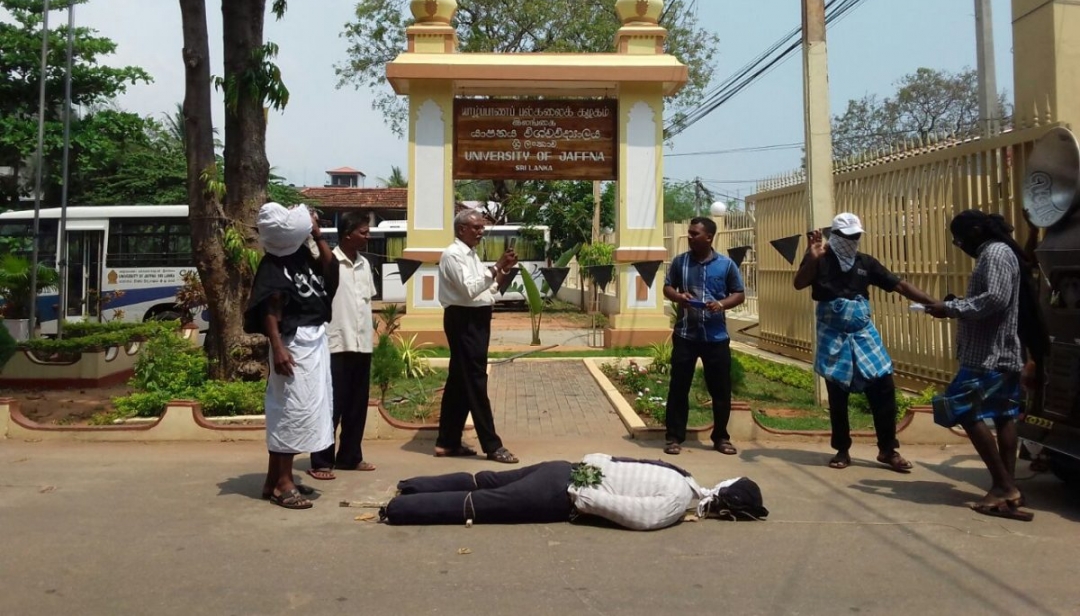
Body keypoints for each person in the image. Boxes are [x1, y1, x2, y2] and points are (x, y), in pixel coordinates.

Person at [793, 212, 936, 473]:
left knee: (883, 386)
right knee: (838, 394)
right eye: (847, 236)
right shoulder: (819, 258)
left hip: (862, 333)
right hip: (832, 334)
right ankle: (842, 449)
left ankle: (888, 449)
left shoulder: (865, 263)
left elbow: (900, 286)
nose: (852, 240)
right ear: (835, 236)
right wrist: (812, 258)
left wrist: (933, 303)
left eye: (856, 236)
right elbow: (799, 283)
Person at [926, 210, 1035, 521]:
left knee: (961, 409)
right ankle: (1008, 487)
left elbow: (995, 299)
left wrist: (951, 307)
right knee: (1003, 416)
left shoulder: (995, 253)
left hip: (987, 355)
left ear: (975, 231)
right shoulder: (1001, 251)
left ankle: (1003, 487)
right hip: (1001, 352)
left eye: (959, 239)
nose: (959, 245)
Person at [380, 453, 768, 529]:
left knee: (484, 480)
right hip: (562, 488)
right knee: (481, 504)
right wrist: (580, 498)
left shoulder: (683, 476)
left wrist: (581, 472)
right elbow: (633, 515)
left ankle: (411, 486)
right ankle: (398, 509)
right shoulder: (675, 504)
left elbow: (620, 459)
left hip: (565, 465)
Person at [244, 203, 339, 510]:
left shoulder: (301, 256)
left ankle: (273, 479)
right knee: (289, 411)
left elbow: (331, 271)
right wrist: (278, 348)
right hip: (292, 343)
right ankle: (283, 485)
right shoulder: (273, 265)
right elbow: (269, 310)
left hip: (313, 340)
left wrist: (318, 236)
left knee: (306, 410)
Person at [435, 209, 519, 464]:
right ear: (461, 229)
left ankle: (446, 442)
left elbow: (489, 287)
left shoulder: (470, 255)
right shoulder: (453, 255)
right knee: (475, 381)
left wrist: (503, 269)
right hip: (464, 321)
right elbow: (470, 289)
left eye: (482, 227)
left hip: (477, 320)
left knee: (459, 382)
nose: (481, 232)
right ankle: (492, 445)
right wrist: (496, 266)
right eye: (476, 228)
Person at [662, 216, 746, 456]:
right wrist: (678, 297)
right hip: (686, 335)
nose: (689, 237)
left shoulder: (727, 265)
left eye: (694, 234)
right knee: (679, 387)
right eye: (689, 232)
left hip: (716, 338)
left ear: (709, 237)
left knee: (720, 390)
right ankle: (674, 437)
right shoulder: (680, 262)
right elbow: (668, 287)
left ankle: (721, 437)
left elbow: (739, 294)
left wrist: (721, 304)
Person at [308, 212, 376, 479]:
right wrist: (314, 229)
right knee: (332, 405)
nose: (367, 236)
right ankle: (321, 460)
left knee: (357, 405)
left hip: (361, 345)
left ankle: (350, 456)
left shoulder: (365, 265)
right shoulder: (328, 261)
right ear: (348, 234)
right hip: (336, 343)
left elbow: (366, 303)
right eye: (363, 232)